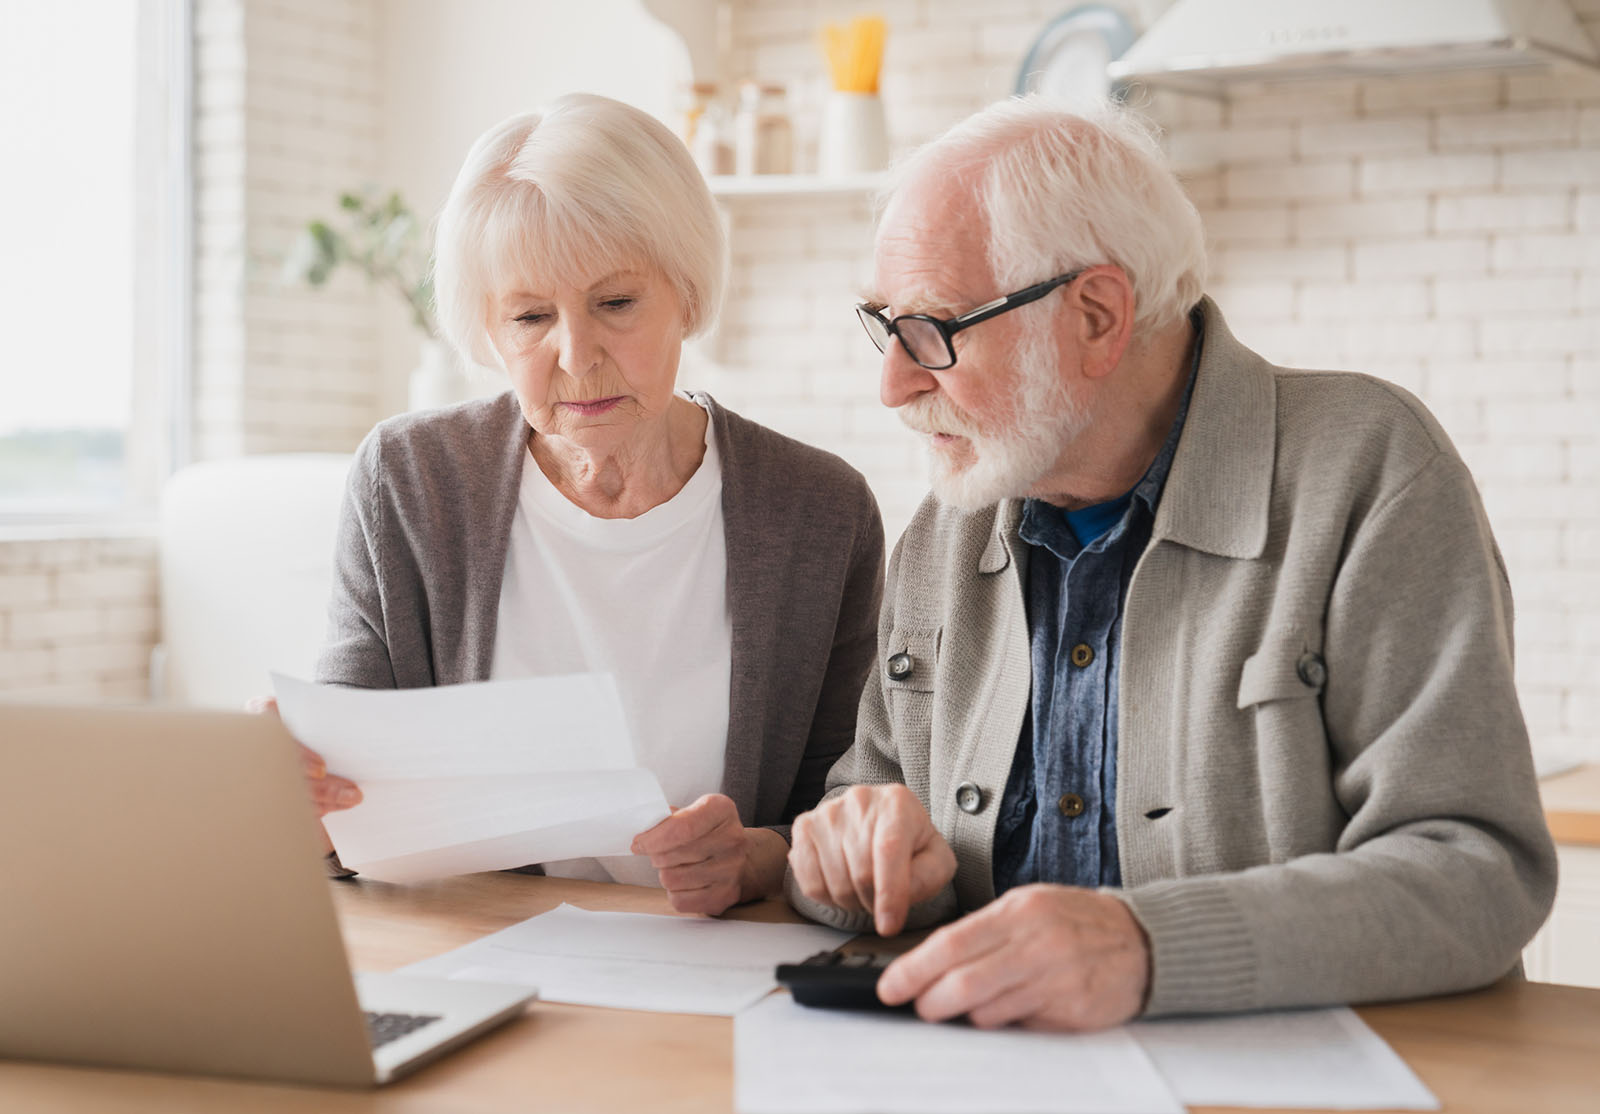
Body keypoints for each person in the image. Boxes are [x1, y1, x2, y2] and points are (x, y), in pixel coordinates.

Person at [785, 96, 1557, 1029]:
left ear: (1099, 315)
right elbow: (864, 804)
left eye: (934, 330)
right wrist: (854, 857)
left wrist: (1147, 948)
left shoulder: (1370, 470)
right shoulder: (947, 527)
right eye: (885, 324)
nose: (893, 383)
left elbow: (1478, 872)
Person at [286, 93, 884, 916]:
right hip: (472, 950)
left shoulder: (820, 512)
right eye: (531, 316)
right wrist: (299, 797)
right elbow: (344, 806)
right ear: (490, 333)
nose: (576, 356)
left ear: (686, 291)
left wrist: (755, 859)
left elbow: (851, 805)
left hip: (715, 958)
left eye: (616, 304)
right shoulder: (409, 482)